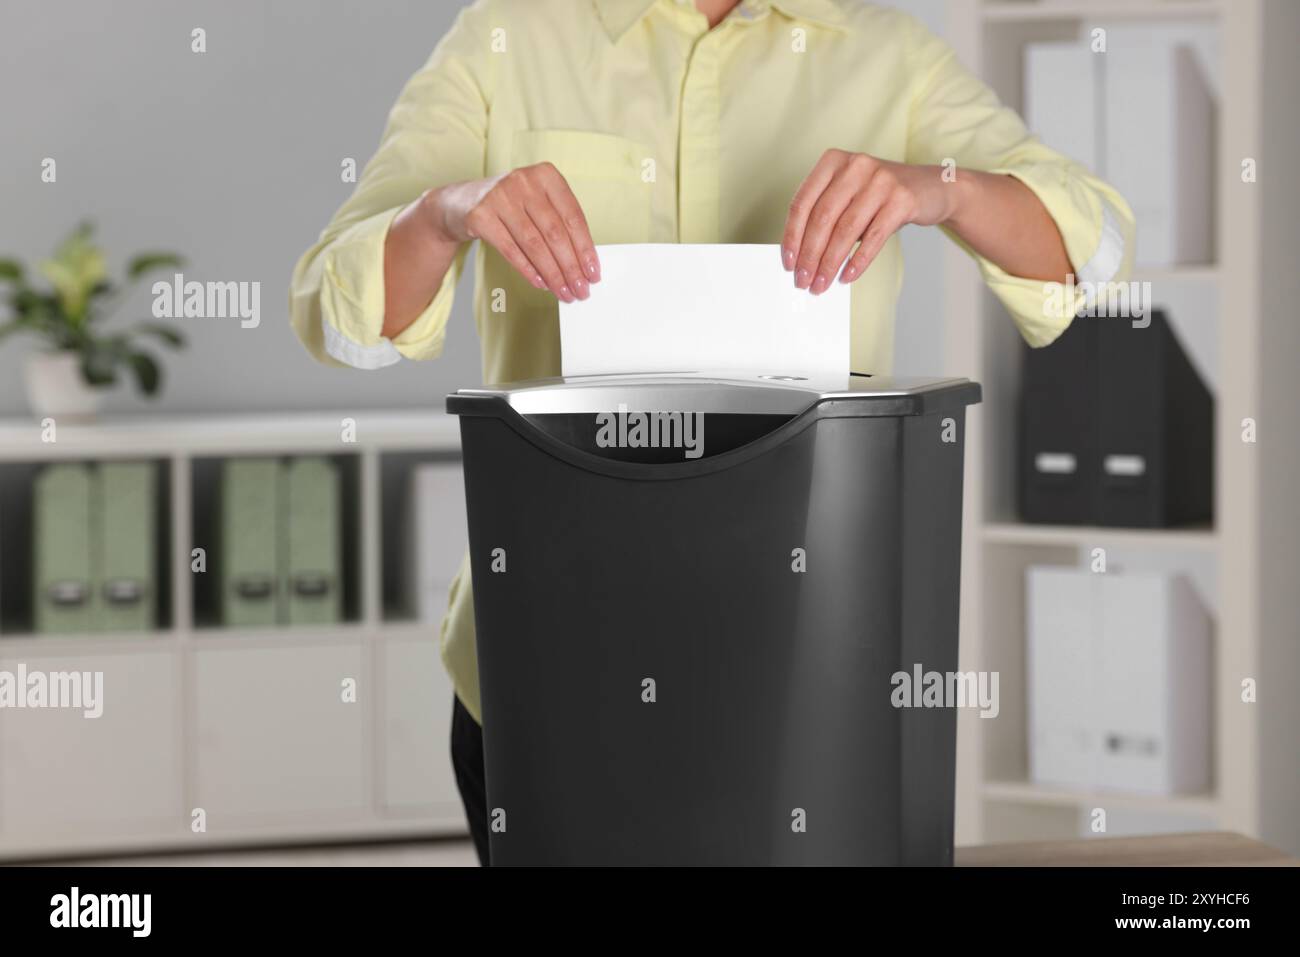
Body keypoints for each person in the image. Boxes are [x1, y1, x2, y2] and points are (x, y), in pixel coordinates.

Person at [289, 0, 1133, 865]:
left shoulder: (882, 50)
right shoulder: (508, 35)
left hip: (805, 658)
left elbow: (1089, 250)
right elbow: (339, 315)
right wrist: (445, 212)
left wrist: (941, 187)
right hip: (546, 647)